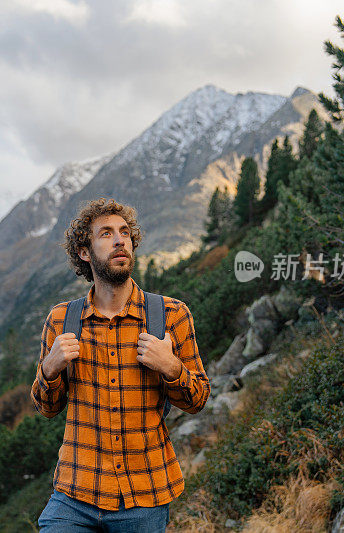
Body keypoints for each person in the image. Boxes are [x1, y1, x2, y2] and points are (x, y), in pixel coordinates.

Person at [31, 197, 211, 532]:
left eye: (125, 232)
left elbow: (198, 399)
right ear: (84, 252)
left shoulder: (171, 315)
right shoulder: (61, 319)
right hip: (74, 493)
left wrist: (171, 367)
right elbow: (46, 407)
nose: (119, 240)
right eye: (106, 234)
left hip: (144, 496)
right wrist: (49, 370)